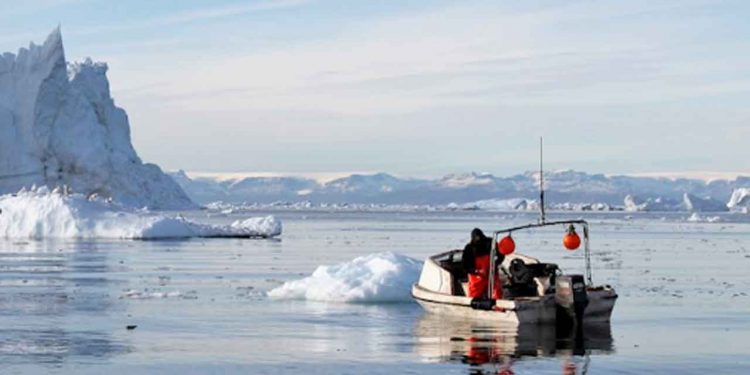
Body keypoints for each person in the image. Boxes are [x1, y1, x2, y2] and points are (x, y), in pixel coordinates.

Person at [462, 228, 503, 299]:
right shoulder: (469, 248)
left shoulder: (491, 243)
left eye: (479, 237)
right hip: (477, 276)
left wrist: (494, 265)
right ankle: (476, 307)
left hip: (491, 273)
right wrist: (476, 271)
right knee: (475, 295)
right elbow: (465, 265)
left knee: (496, 292)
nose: (478, 240)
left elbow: (501, 254)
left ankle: (498, 307)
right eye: (476, 238)